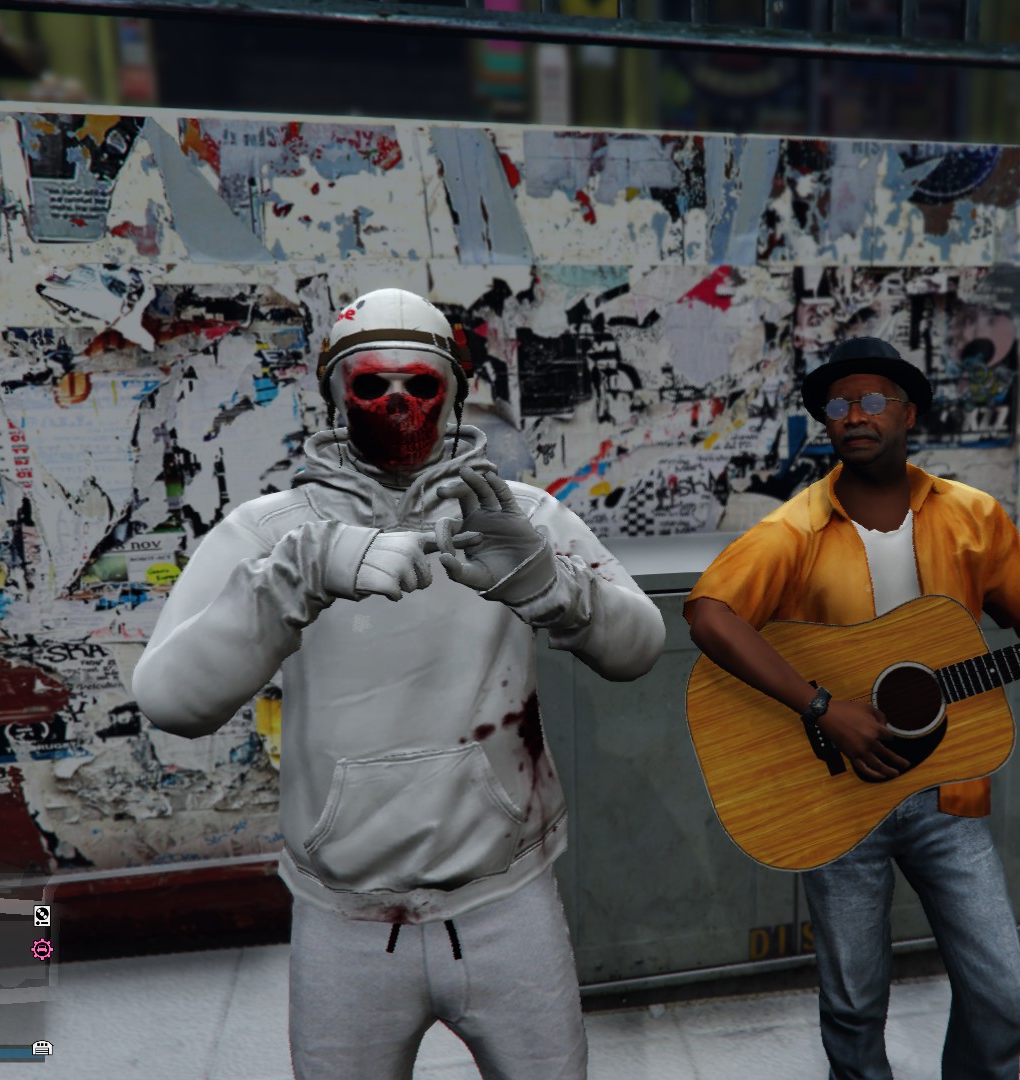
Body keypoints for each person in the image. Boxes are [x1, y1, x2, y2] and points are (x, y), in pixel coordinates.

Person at [131, 287, 664, 1080]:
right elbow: (170, 701)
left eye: (419, 384)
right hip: (344, 917)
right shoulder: (272, 533)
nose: (396, 403)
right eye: (371, 384)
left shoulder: (516, 517)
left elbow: (640, 645)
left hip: (506, 899)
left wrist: (555, 586)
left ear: (452, 392)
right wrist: (294, 580)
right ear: (335, 393)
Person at [683, 336, 1020, 1080]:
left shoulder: (972, 515)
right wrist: (823, 707)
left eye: (872, 400)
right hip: (836, 799)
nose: (854, 415)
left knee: (1004, 1001)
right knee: (854, 1006)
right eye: (838, 404)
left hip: (947, 794)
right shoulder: (793, 530)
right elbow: (709, 615)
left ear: (909, 413)